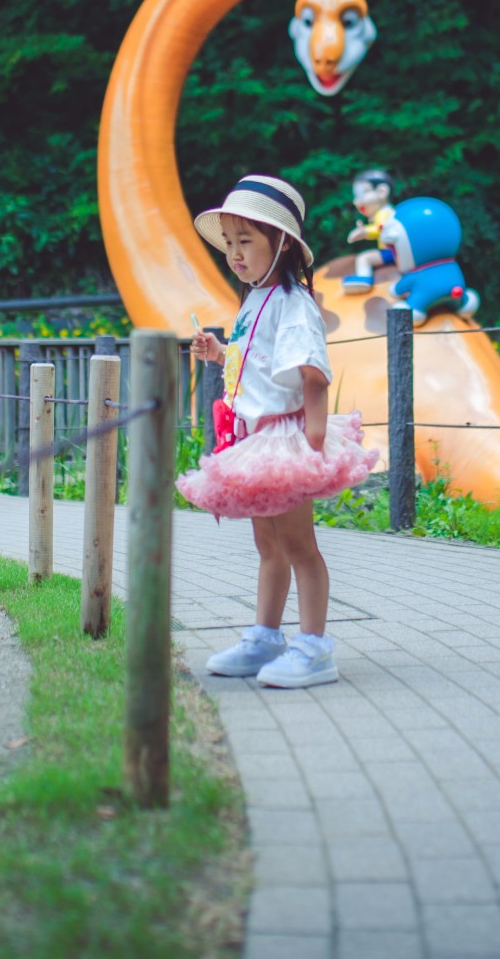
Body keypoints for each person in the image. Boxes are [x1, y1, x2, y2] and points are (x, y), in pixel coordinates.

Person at [176, 173, 377, 688]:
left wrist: (310, 448)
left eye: (247, 241)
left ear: (281, 242)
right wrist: (220, 353)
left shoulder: (292, 302)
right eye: (230, 243)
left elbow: (312, 372)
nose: (235, 254)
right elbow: (262, 364)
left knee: (298, 545)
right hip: (254, 438)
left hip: (286, 437)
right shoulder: (255, 299)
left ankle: (314, 648)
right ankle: (267, 635)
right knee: (267, 545)